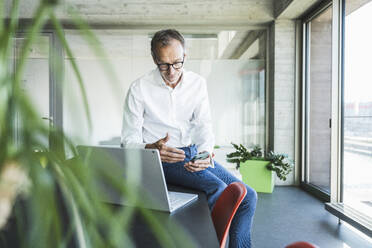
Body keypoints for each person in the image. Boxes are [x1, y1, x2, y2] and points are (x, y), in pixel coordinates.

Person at [121, 29, 257, 248]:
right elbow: (128, 141)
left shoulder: (198, 83)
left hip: (192, 153)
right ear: (155, 59)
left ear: (185, 56)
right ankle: (207, 244)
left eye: (177, 63)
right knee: (218, 188)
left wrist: (205, 153)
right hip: (162, 159)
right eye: (164, 65)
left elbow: (204, 125)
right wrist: (150, 148)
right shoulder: (139, 88)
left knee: (248, 197)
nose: (171, 71)